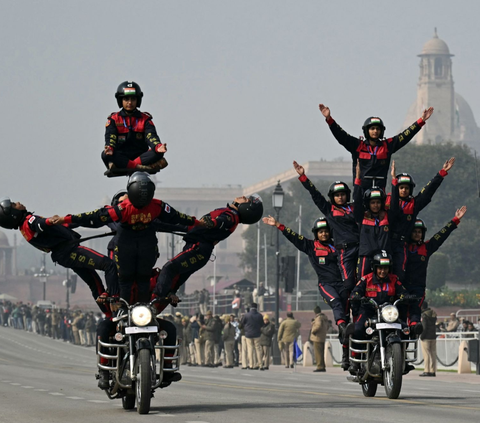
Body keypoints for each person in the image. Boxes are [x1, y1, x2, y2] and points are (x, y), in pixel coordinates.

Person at [49, 172, 199, 304]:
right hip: (122, 260)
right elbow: (91, 219)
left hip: (143, 257)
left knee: (148, 279)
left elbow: (174, 222)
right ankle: (113, 300)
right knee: (114, 277)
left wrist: (195, 226)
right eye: (121, 202)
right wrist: (64, 224)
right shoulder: (117, 213)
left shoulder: (151, 213)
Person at [0, 197, 118, 317]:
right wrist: (50, 221)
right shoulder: (29, 221)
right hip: (70, 251)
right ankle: (115, 300)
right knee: (108, 265)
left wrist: (69, 220)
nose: (18, 203)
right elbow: (40, 224)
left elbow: (62, 225)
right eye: (15, 205)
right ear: (13, 215)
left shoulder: (24, 229)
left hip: (63, 256)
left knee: (94, 283)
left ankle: (109, 315)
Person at [153, 195, 263, 307]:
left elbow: (222, 221)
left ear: (246, 208)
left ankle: (156, 299)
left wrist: (212, 223)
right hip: (199, 249)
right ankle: (169, 294)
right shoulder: (231, 214)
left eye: (246, 200)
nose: (243, 196)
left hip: (198, 249)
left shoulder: (232, 216)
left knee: (169, 268)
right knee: (176, 276)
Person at [262, 215, 349, 340]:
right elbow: (294, 237)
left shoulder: (338, 246)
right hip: (326, 285)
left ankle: (346, 345)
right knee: (336, 303)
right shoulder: (311, 246)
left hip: (343, 284)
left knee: (347, 312)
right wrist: (278, 225)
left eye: (326, 231)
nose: (324, 234)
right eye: (321, 232)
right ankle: (341, 326)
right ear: (316, 234)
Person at [318, 103, 434, 190]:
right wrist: (329, 119)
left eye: (378, 129)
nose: (375, 131)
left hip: (379, 192)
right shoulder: (357, 145)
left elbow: (405, 135)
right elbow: (341, 135)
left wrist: (421, 121)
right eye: (372, 128)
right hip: (361, 191)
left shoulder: (387, 145)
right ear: (366, 131)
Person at [293, 160, 359, 294]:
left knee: (366, 279)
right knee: (348, 283)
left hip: (360, 248)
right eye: (337, 195)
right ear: (332, 197)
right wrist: (304, 178)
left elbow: (361, 192)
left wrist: (358, 174)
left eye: (342, 194)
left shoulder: (354, 208)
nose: (340, 197)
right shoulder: (329, 210)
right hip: (344, 252)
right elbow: (315, 195)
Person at [388, 157, 455, 282]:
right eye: (401, 187)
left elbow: (428, 191)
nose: (403, 190)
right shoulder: (387, 200)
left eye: (406, 188)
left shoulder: (414, 204)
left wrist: (441, 174)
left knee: (399, 274)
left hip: (402, 244)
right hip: (385, 241)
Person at [404, 206, 467, 330]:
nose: (417, 234)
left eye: (419, 232)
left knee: (415, 313)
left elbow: (441, 235)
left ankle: (413, 329)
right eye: (414, 231)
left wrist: (455, 220)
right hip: (402, 286)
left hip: (418, 288)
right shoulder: (402, 247)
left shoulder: (427, 247)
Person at [348, 251, 407, 374]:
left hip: (388, 314)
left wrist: (405, 296)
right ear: (375, 268)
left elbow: (402, 291)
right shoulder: (366, 279)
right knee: (358, 329)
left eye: (385, 268)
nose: (383, 271)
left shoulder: (394, 279)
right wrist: (357, 296)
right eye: (380, 268)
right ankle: (355, 361)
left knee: (406, 330)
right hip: (369, 312)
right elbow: (356, 291)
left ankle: (402, 360)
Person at [102, 81, 167, 176]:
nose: (130, 102)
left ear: (138, 100)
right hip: (122, 156)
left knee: (158, 153)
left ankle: (131, 165)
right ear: (120, 100)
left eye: (133, 99)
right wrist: (110, 148)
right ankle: (137, 167)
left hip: (140, 156)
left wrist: (158, 147)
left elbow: (151, 136)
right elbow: (110, 137)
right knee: (105, 154)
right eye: (126, 99)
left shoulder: (145, 119)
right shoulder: (113, 119)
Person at [353, 161, 395, 279]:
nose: (375, 205)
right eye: (372, 202)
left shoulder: (387, 216)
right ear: (368, 203)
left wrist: (394, 180)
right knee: (361, 280)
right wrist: (357, 179)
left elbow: (395, 204)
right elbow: (357, 201)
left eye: (378, 202)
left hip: (384, 256)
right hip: (366, 255)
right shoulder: (362, 216)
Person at [240, 302, 264, 370]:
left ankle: (251, 365)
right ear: (256, 308)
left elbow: (242, 323)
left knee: (250, 349)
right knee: (258, 349)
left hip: (248, 334)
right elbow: (262, 324)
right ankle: (260, 365)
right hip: (257, 334)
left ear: (251, 307)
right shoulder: (259, 315)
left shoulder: (246, 315)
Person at [420, 301, 437, 377]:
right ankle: (433, 371)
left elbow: (424, 327)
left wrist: (421, 336)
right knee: (433, 354)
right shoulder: (433, 314)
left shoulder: (424, 315)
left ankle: (427, 370)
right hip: (433, 336)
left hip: (426, 337)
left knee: (426, 354)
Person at [310, 305, 328, 372]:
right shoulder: (324, 317)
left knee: (318, 353)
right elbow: (327, 326)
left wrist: (313, 331)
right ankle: (322, 365)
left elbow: (318, 325)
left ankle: (319, 366)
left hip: (317, 337)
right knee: (321, 352)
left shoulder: (318, 318)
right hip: (322, 336)